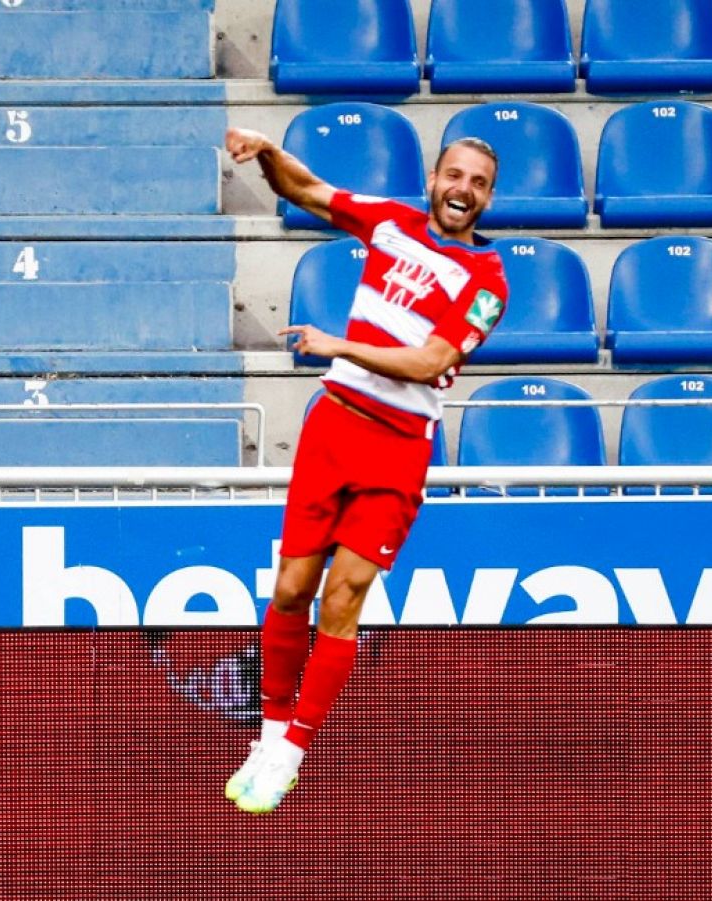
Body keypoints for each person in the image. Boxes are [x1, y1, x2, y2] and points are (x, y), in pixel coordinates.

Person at [221, 126, 509, 814]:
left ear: (489, 197)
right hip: (333, 429)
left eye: (477, 181)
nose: (462, 189)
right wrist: (266, 151)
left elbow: (431, 361)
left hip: (398, 447)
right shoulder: (389, 221)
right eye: (454, 175)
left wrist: (338, 344)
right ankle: (268, 735)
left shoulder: (488, 282)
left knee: (345, 596)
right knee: (291, 588)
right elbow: (304, 189)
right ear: (433, 180)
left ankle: (291, 750)